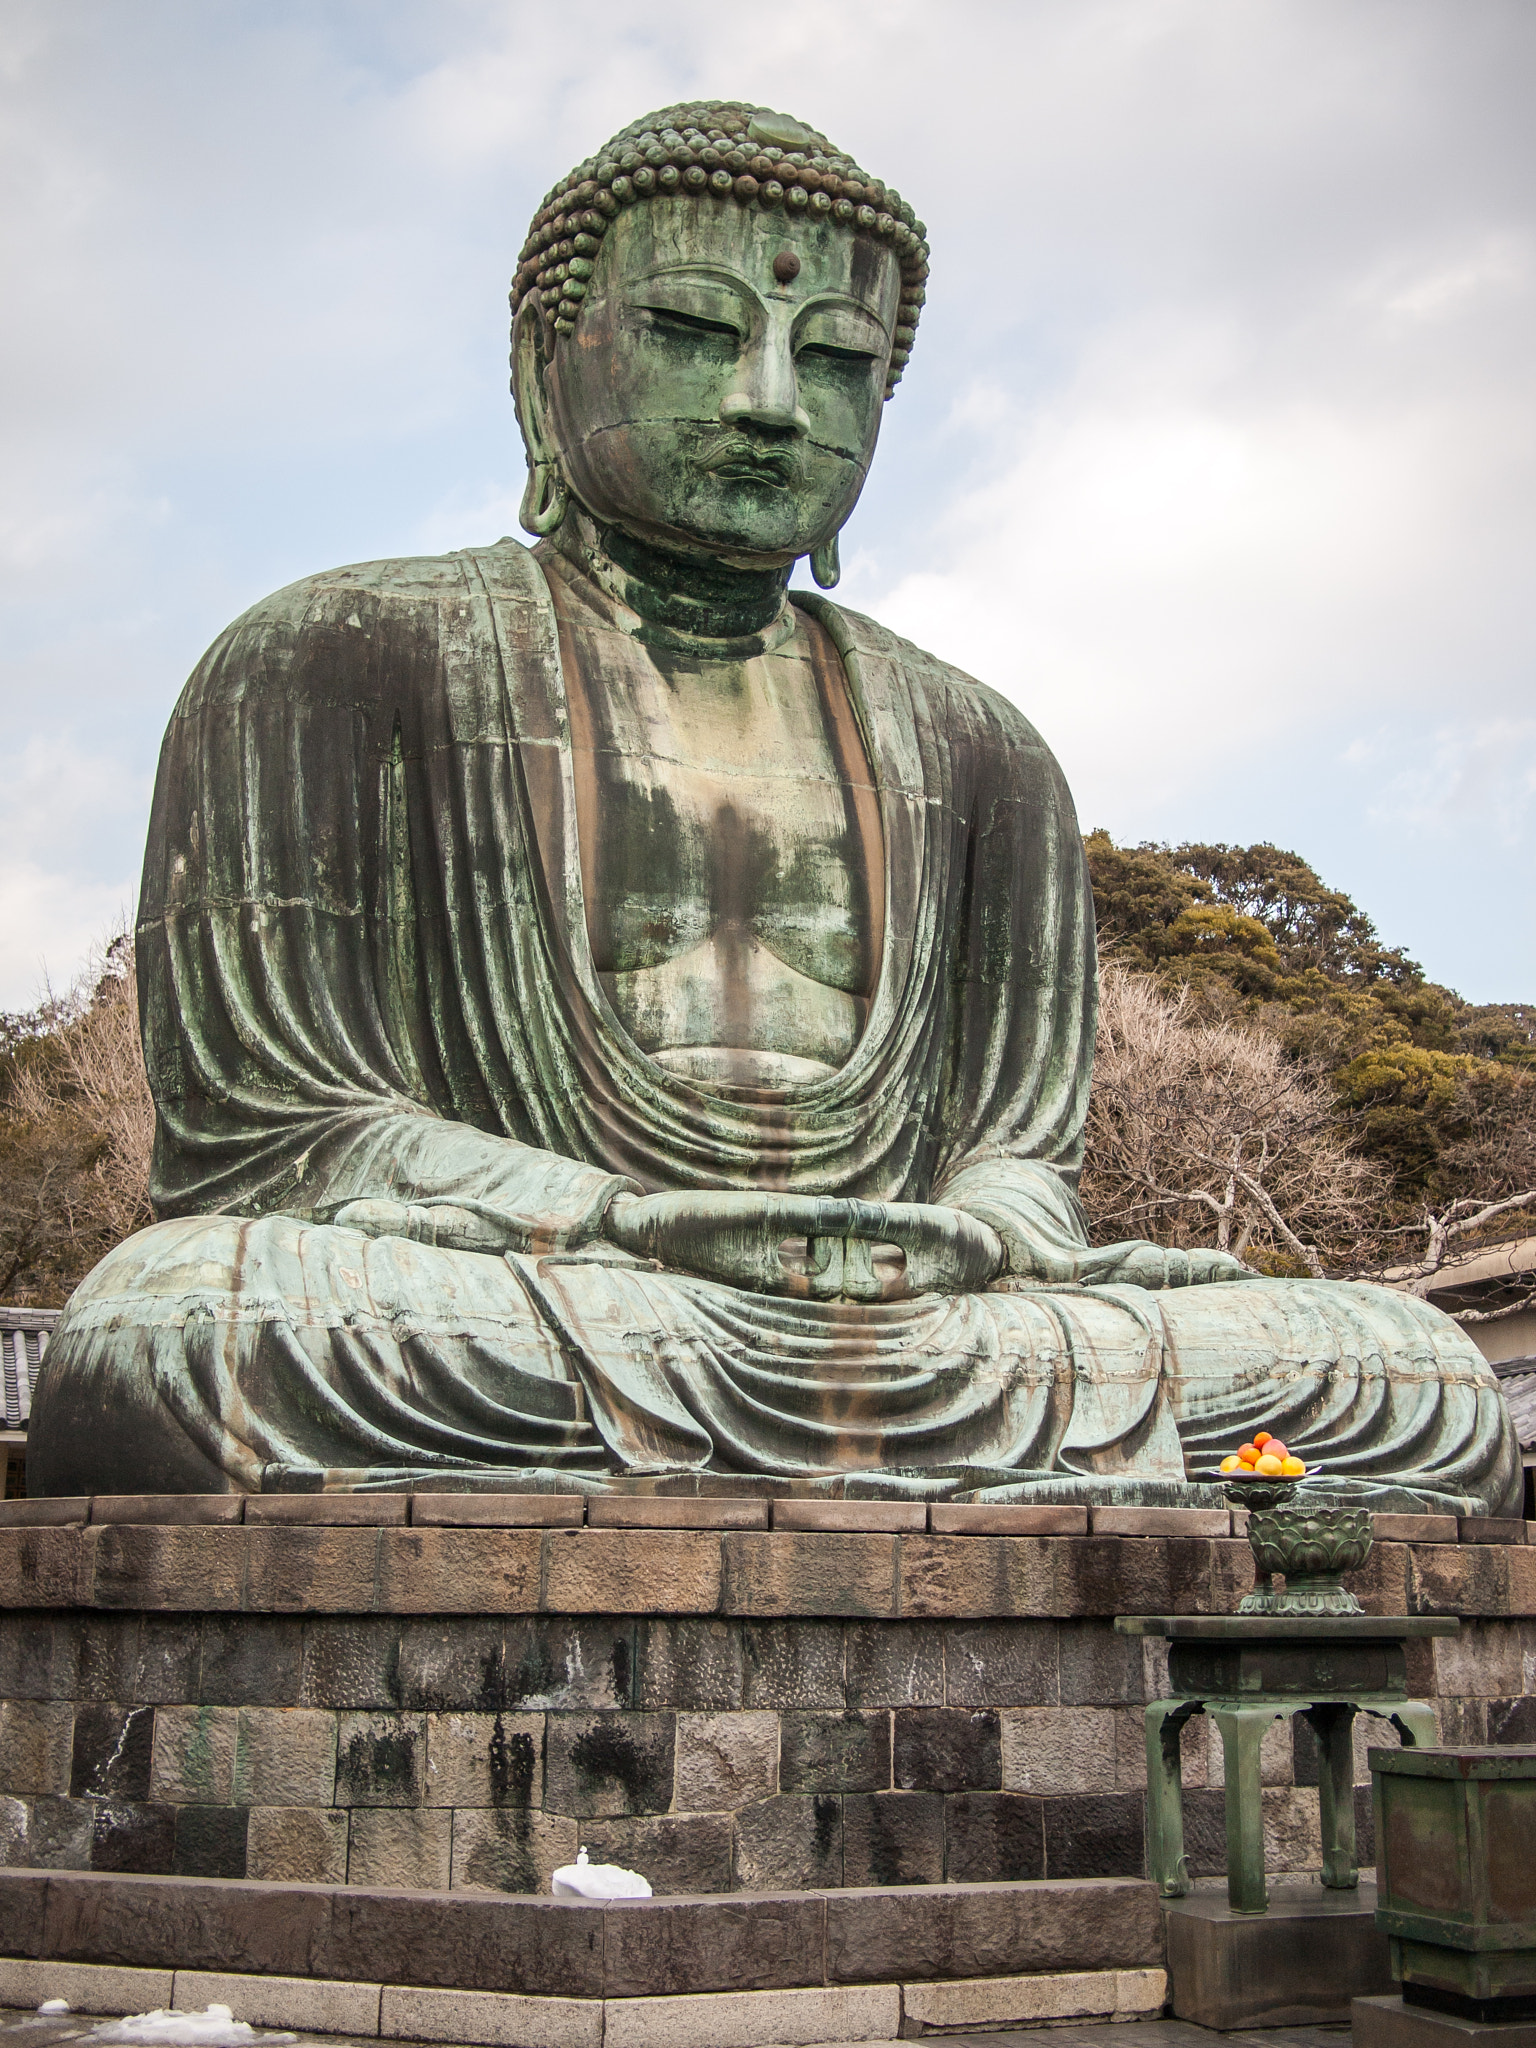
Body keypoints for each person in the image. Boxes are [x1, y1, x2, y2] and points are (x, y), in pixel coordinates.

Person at [28, 103, 1518, 1511]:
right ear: (552, 359)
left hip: (923, 1327)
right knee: (184, 1330)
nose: (768, 403)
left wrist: (990, 1233)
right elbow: (288, 1134)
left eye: (837, 361)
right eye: (691, 331)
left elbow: (1015, 1152)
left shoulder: (983, 748)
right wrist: (615, 1220)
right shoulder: (332, 661)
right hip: (548, 1291)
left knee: (1404, 1373)